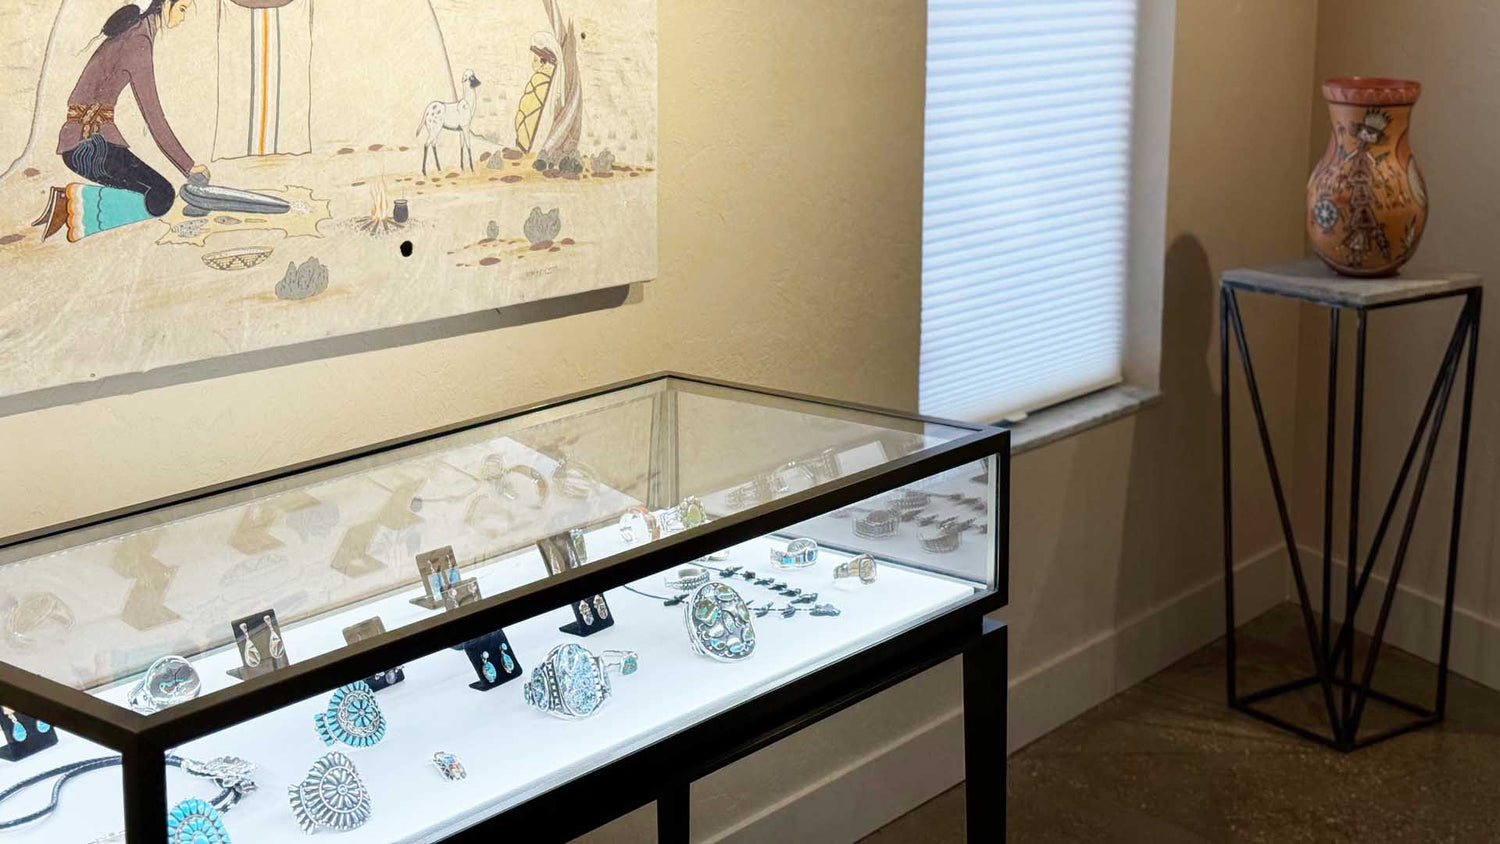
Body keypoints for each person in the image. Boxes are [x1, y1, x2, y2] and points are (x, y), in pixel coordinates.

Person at [32, 0, 209, 242]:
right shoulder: (139, 41)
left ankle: (71, 204)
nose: (183, 17)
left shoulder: (135, 31)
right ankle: (71, 203)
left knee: (154, 193)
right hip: (89, 146)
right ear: (166, 4)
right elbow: (153, 115)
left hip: (86, 142)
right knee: (161, 196)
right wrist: (188, 166)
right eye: (182, 9)